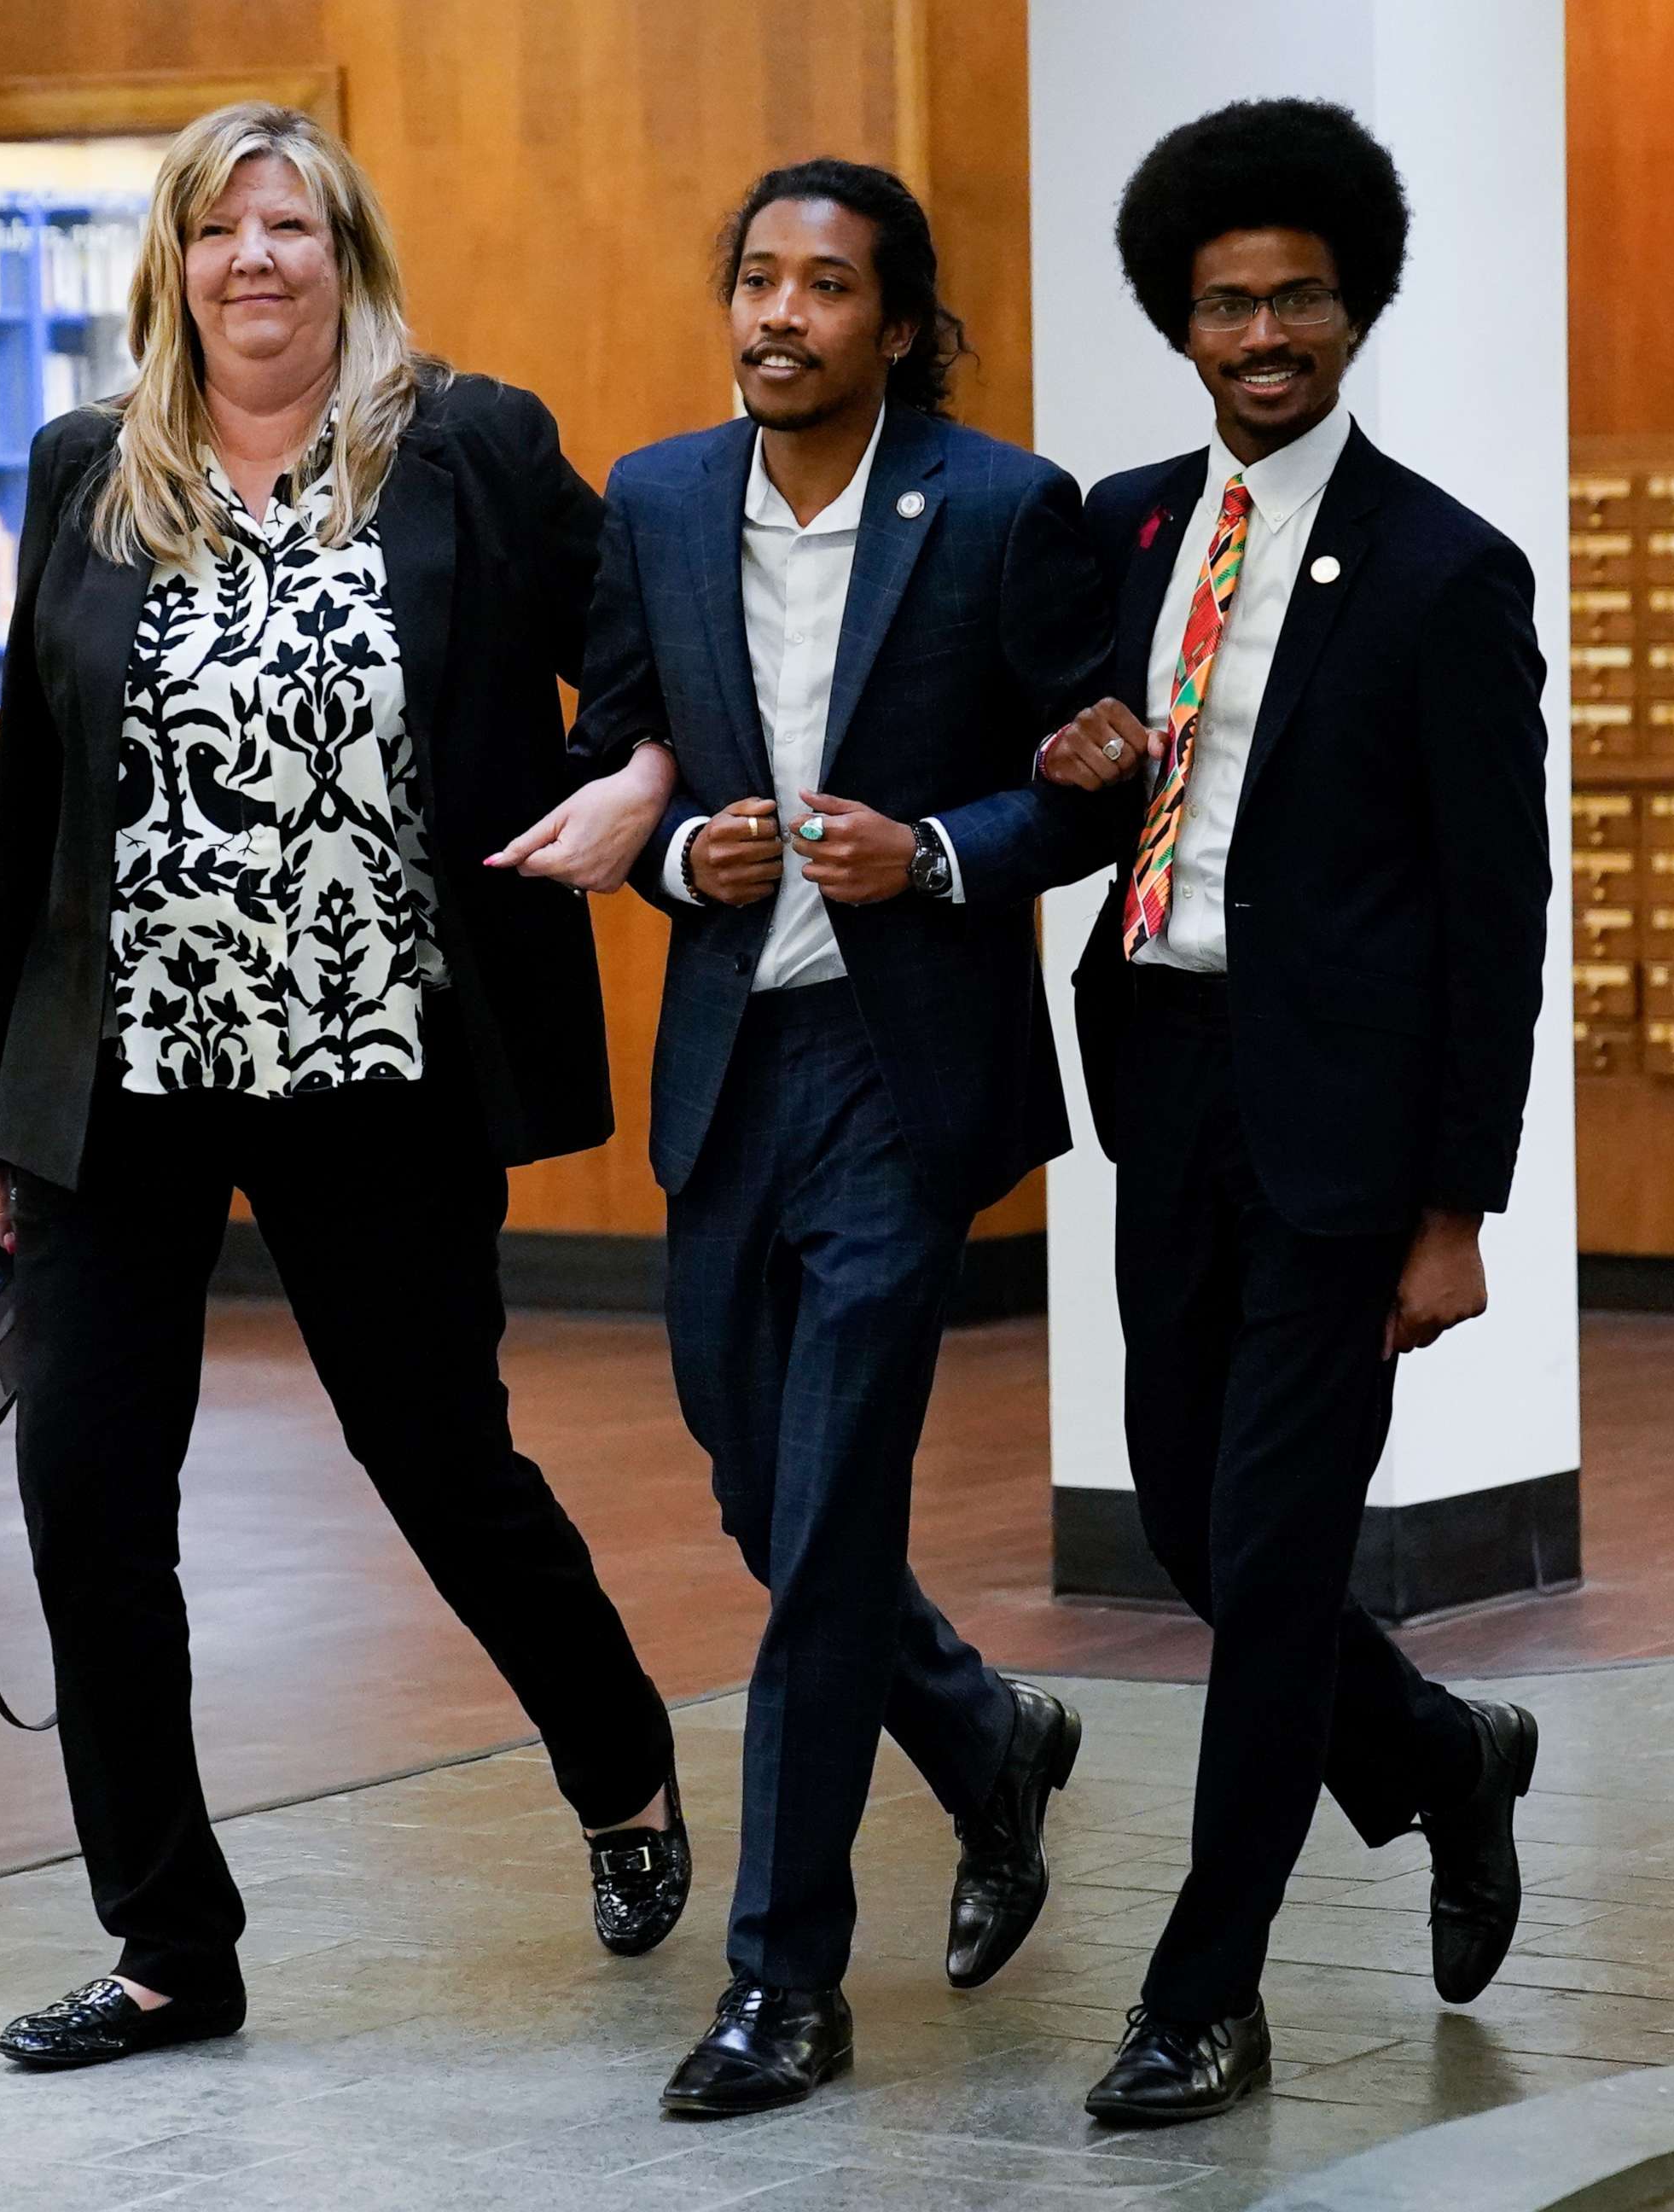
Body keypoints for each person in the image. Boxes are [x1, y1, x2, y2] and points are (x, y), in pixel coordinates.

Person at [0, 101, 693, 2071]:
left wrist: (631, 774)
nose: (255, 259)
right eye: (217, 227)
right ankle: (172, 1946)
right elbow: (36, 807)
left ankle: (617, 1767)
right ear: (170, 262)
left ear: (344, 250)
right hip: (124, 1074)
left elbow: (649, 634)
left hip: (376, 1055)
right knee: (88, 1495)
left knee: (439, 1466)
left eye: (291, 224)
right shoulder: (92, 466)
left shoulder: (469, 447)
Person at [507, 157, 1140, 2116]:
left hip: (900, 1071)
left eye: (825, 287)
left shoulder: (1004, 509)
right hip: (731, 1061)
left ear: (895, 319)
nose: (780, 315)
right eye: (757, 281)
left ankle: (783, 1982)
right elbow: (616, 747)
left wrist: (944, 849)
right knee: (746, 1474)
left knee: (834, 1503)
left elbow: (1099, 778)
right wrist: (677, 854)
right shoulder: (660, 497)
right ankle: (980, 1738)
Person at [1043, 99, 1549, 2126]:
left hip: (1341, 1135)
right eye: (1224, 305)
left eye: (1296, 300)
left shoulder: (1443, 568)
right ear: (1179, 323)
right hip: (1160, 1080)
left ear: (1353, 308)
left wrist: (1458, 1205)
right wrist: (1081, 765)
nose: (1261, 335)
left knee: (1265, 1554)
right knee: (1187, 1515)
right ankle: (1437, 1758)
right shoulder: (1125, 526)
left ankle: (1203, 1991)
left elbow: (1492, 910)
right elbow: (1083, 788)